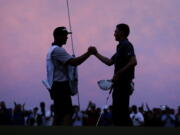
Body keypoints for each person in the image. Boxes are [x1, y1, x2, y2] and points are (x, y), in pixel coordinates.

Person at [46, 26, 96, 126]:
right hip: (61, 86)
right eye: (65, 35)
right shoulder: (58, 50)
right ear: (57, 36)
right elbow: (74, 62)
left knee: (59, 114)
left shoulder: (51, 50)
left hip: (56, 86)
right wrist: (89, 53)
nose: (67, 37)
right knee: (67, 113)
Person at [93, 23, 137, 126]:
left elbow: (133, 62)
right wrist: (95, 53)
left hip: (123, 83)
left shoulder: (126, 45)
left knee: (121, 112)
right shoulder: (120, 47)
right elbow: (109, 62)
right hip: (119, 84)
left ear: (122, 33)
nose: (114, 34)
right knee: (119, 112)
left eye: (116, 31)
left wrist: (118, 73)